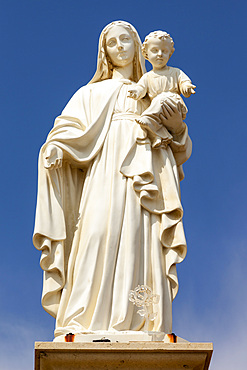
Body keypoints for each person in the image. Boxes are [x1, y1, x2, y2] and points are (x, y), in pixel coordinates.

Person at [33, 21, 192, 341]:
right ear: (103, 52)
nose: (119, 46)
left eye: (125, 40)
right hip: (103, 173)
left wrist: (178, 129)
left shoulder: (153, 89)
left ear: (138, 48)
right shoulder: (90, 93)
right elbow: (65, 132)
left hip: (145, 176)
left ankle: (146, 322)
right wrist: (54, 149)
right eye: (111, 43)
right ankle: (82, 319)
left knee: (140, 238)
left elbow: (180, 148)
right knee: (95, 234)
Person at [128, 30, 196, 148]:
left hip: (173, 102)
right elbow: (141, 88)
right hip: (157, 108)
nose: (160, 54)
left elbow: (184, 81)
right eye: (155, 50)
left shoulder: (175, 72)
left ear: (170, 54)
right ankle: (159, 137)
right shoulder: (147, 77)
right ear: (146, 54)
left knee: (160, 100)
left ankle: (147, 119)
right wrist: (136, 92)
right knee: (157, 109)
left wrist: (187, 88)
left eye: (164, 51)